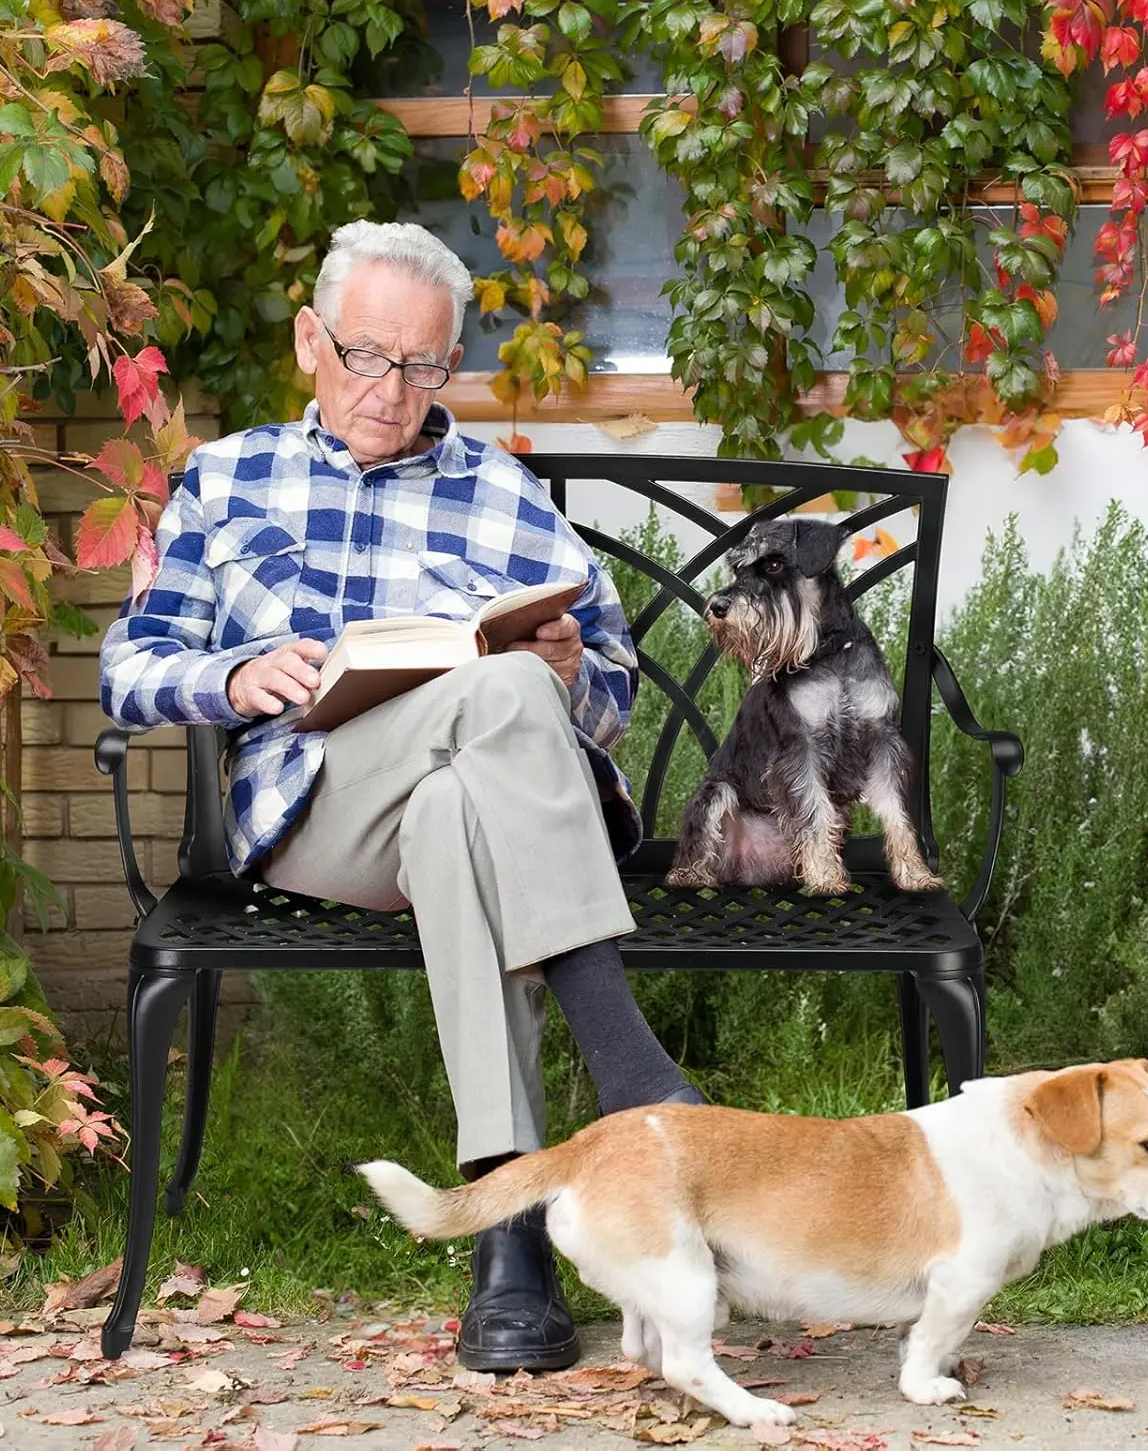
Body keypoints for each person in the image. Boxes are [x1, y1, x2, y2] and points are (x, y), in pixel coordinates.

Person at [98, 220, 703, 1372]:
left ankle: (509, 1235)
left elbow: (613, 688)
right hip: (309, 806)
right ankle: (632, 1072)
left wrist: (573, 681)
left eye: (428, 368)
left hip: (463, 813)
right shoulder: (225, 481)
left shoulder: (504, 492)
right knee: (506, 695)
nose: (395, 392)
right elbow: (128, 673)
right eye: (371, 358)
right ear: (310, 342)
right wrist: (230, 674)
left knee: (473, 785)